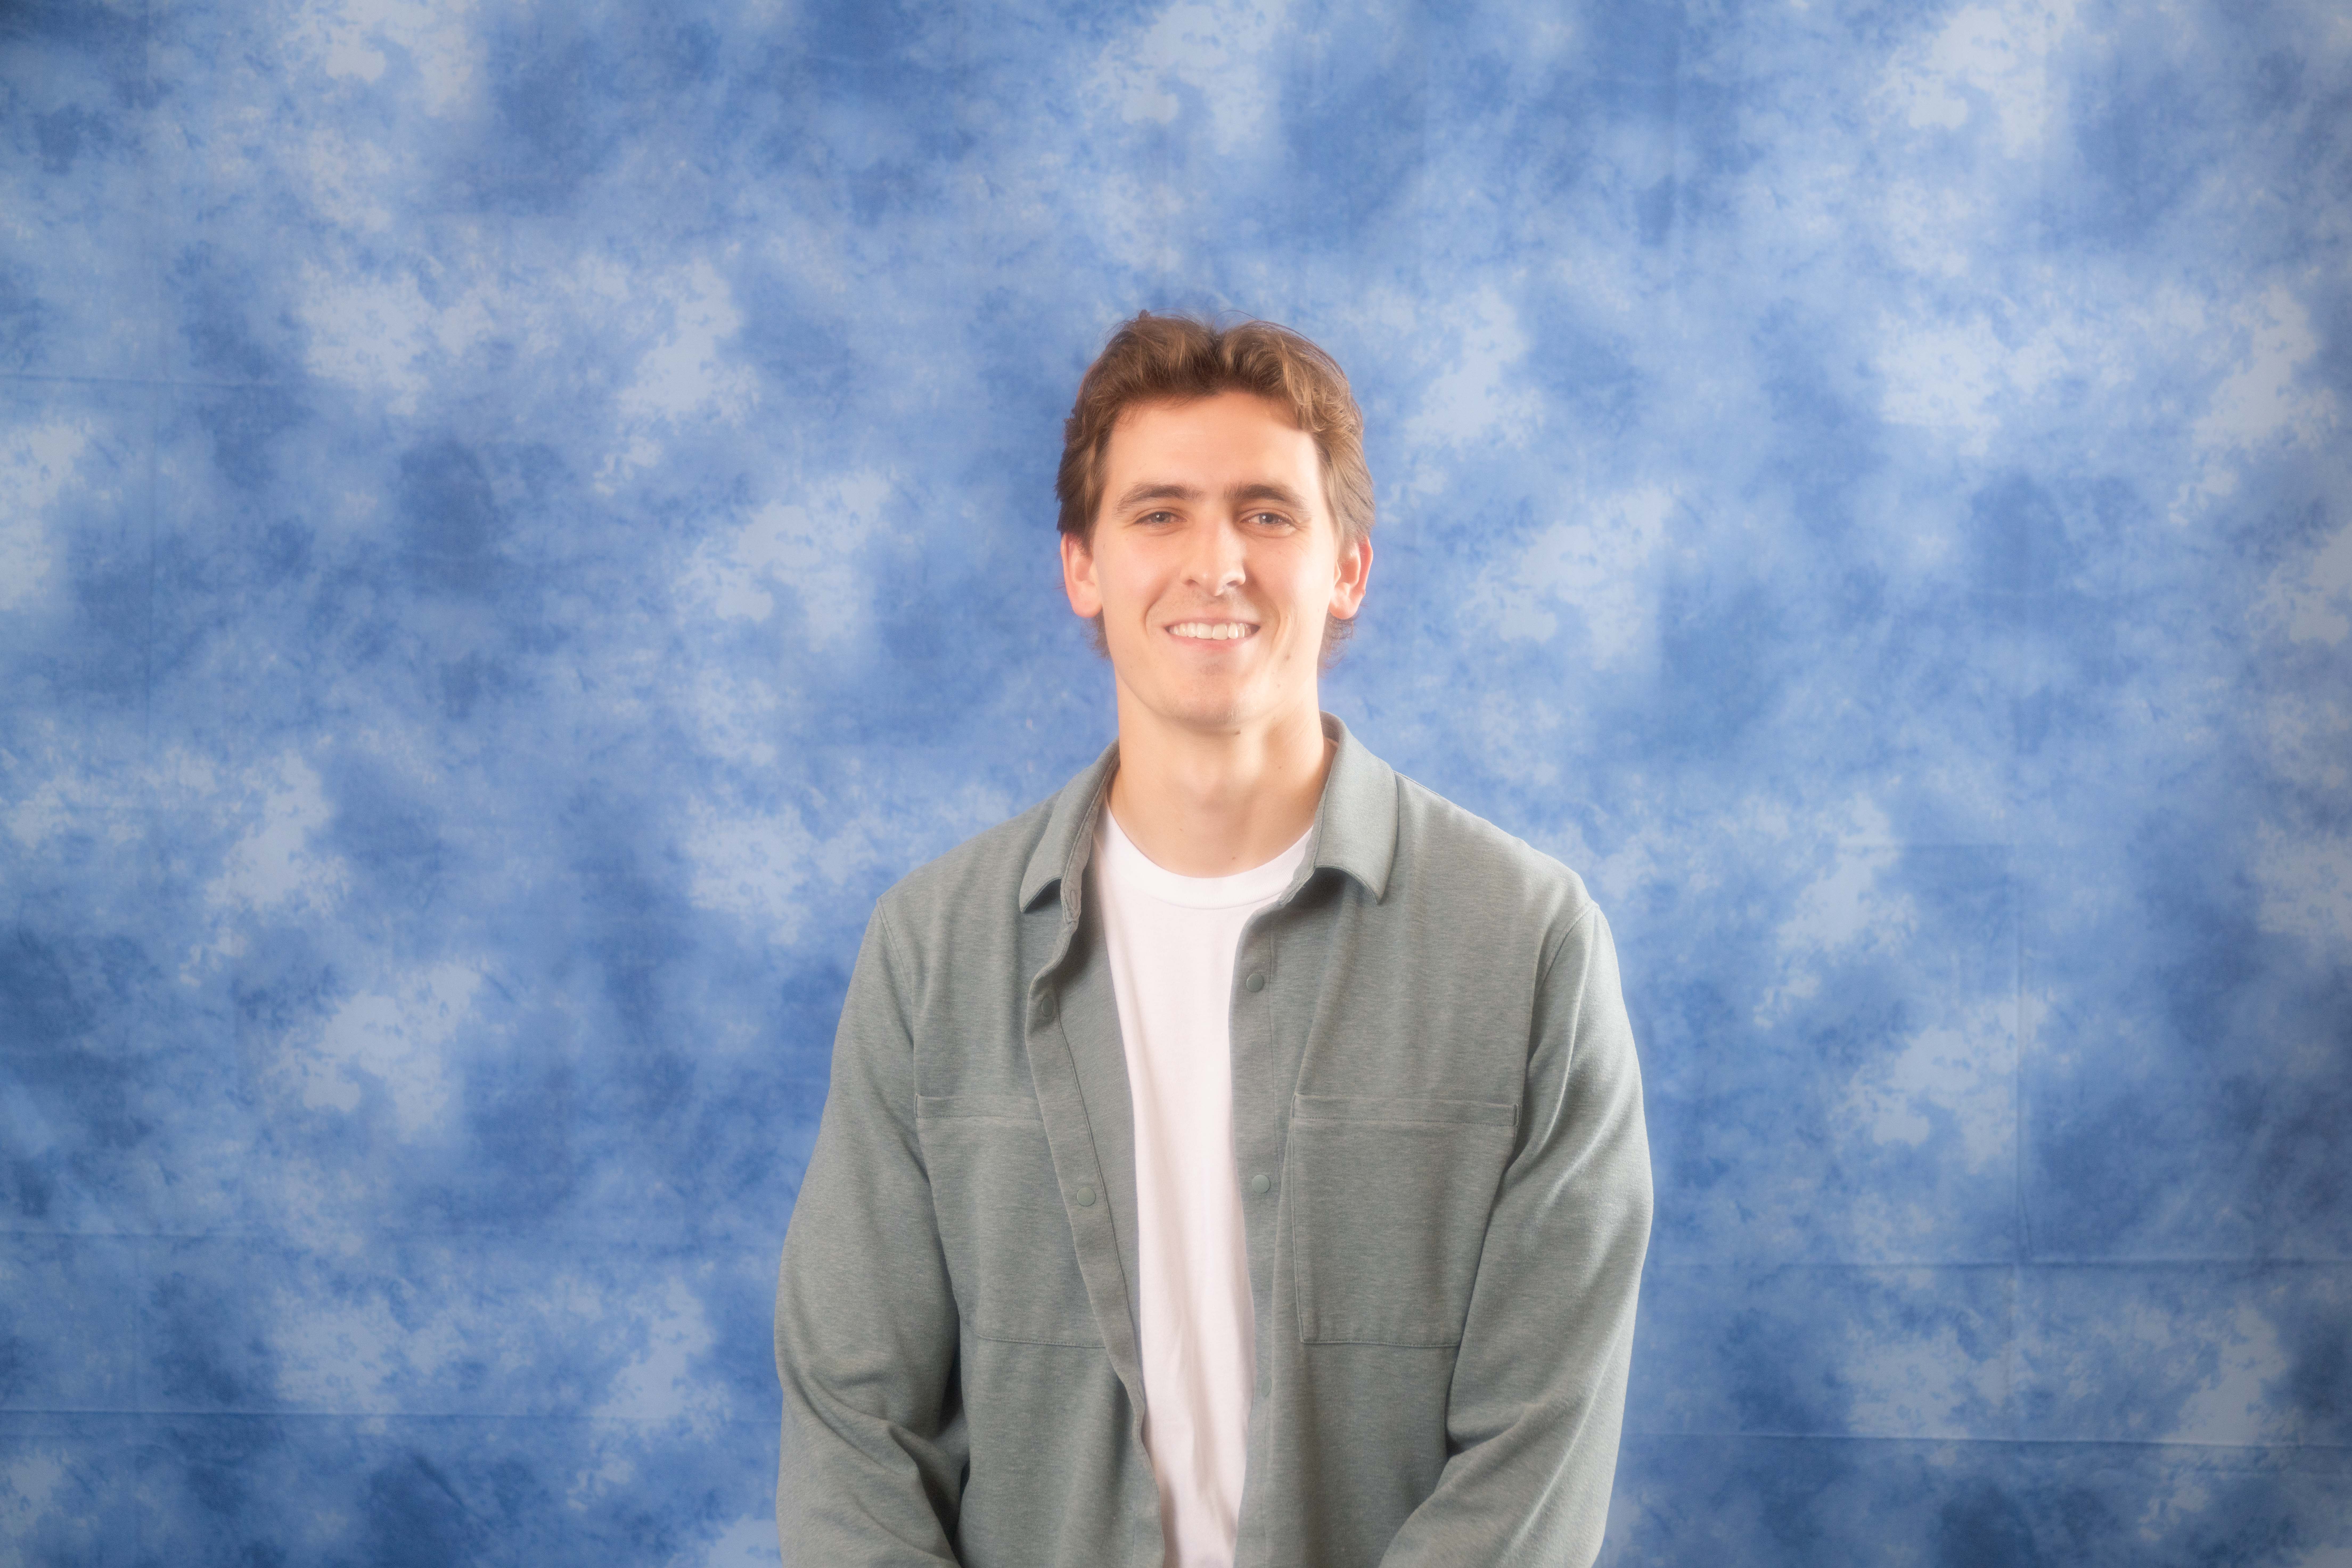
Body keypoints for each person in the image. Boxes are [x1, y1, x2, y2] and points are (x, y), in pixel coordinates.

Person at [774, 313, 1653, 1567]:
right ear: (1082, 565)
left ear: (1347, 567)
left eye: (1267, 513)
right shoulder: (933, 950)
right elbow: (854, 1426)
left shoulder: (1526, 947)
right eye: (1158, 513)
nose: (1215, 562)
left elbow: (1537, 1443)